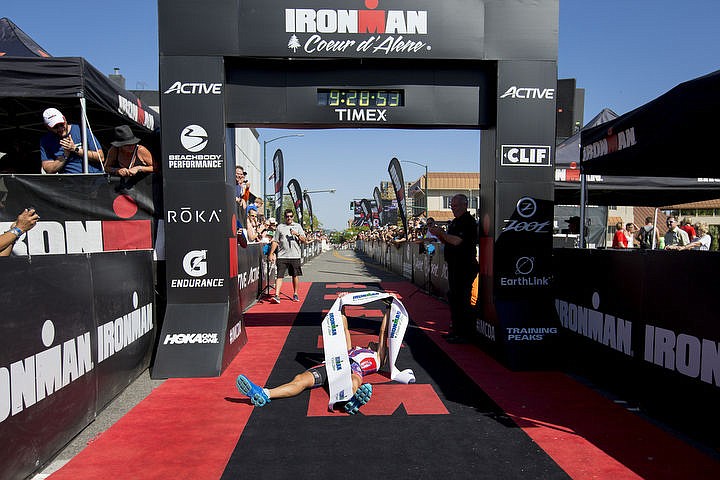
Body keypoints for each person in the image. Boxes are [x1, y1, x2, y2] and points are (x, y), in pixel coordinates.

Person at [235, 294, 392, 414]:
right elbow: (344, 330)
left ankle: (351, 400)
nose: (375, 341)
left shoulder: (377, 358)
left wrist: (389, 309)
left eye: (378, 344)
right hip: (333, 364)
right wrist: (342, 305)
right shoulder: (352, 349)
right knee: (300, 379)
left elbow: (383, 332)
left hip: (353, 369)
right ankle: (264, 393)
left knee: (353, 380)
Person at [428, 193, 478, 343]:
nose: (453, 209)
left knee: (462, 299)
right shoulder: (455, 222)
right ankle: (456, 330)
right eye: (451, 206)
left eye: (455, 206)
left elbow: (457, 241)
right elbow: (448, 242)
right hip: (455, 265)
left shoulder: (468, 222)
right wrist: (439, 235)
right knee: (455, 298)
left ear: (464, 205)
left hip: (465, 265)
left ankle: (464, 333)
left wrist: (441, 233)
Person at [39, 108, 104, 174]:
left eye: (61, 124)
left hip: (93, 178)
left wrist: (75, 149)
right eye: (55, 127)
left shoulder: (82, 130)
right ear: (48, 127)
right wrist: (65, 155)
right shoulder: (46, 140)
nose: (60, 128)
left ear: (64, 119)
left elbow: (101, 157)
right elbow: (48, 169)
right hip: (69, 181)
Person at [268, 209, 307, 303]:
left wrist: (296, 234)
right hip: (282, 255)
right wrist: (271, 253)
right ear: (284, 217)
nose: (289, 218)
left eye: (290, 216)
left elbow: (304, 240)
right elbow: (275, 241)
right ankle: (277, 295)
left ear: (293, 217)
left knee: (295, 275)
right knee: (279, 276)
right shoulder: (280, 227)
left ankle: (295, 294)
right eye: (287, 216)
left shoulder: (297, 226)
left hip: (295, 255)